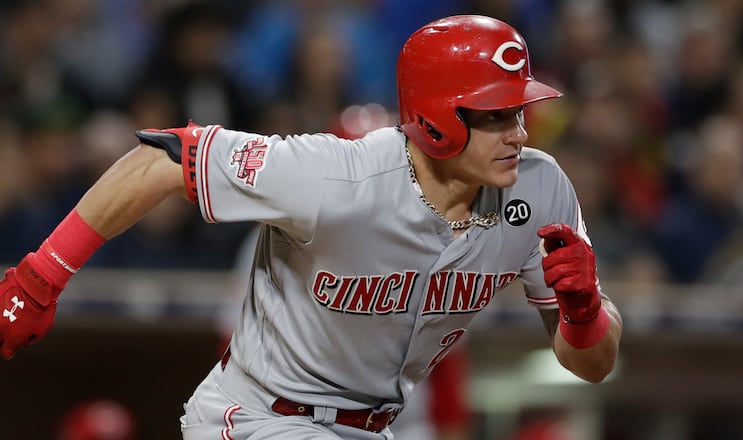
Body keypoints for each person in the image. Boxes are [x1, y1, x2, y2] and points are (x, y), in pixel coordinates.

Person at [0, 14, 622, 440]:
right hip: (262, 419)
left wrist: (585, 311)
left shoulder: (540, 191)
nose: (519, 132)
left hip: (378, 426)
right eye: (496, 115)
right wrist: (41, 275)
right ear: (435, 118)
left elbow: (592, 366)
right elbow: (163, 159)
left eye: (519, 111)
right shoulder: (334, 174)